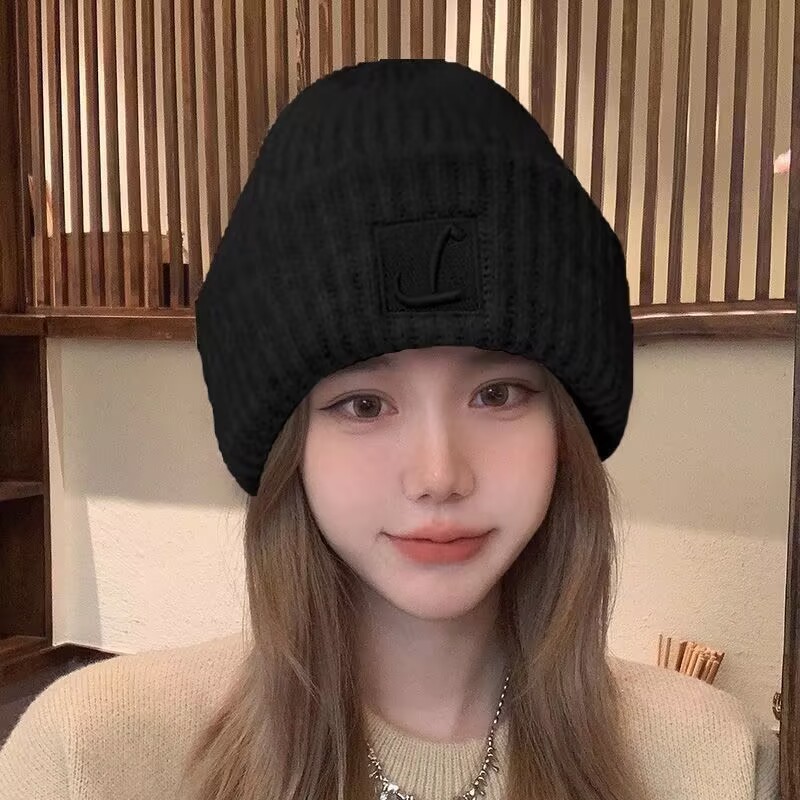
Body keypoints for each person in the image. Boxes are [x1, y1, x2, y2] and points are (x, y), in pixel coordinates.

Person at [0, 58, 778, 800]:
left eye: (498, 394)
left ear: (563, 426)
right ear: (288, 448)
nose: (439, 475)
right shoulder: (92, 758)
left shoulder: (705, 758)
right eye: (364, 405)